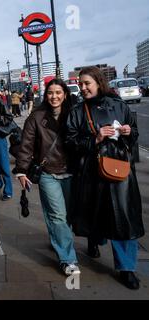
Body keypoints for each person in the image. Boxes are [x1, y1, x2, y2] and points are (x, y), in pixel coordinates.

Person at [65, 66, 145, 290]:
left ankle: (127, 268)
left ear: (98, 83)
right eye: (80, 84)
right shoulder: (77, 111)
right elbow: (70, 143)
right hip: (91, 172)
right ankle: (93, 239)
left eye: (86, 83)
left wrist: (129, 133)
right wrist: (96, 138)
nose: (82, 88)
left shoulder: (119, 105)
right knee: (95, 213)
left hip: (120, 169)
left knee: (124, 219)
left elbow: (134, 136)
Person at [15, 78, 80, 276]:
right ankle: (68, 260)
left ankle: (58, 241)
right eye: (50, 93)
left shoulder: (75, 114)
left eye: (58, 92)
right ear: (45, 95)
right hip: (48, 172)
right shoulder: (36, 117)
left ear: (65, 94)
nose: (54, 96)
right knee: (57, 215)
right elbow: (26, 145)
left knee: (68, 215)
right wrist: (21, 170)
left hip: (71, 170)